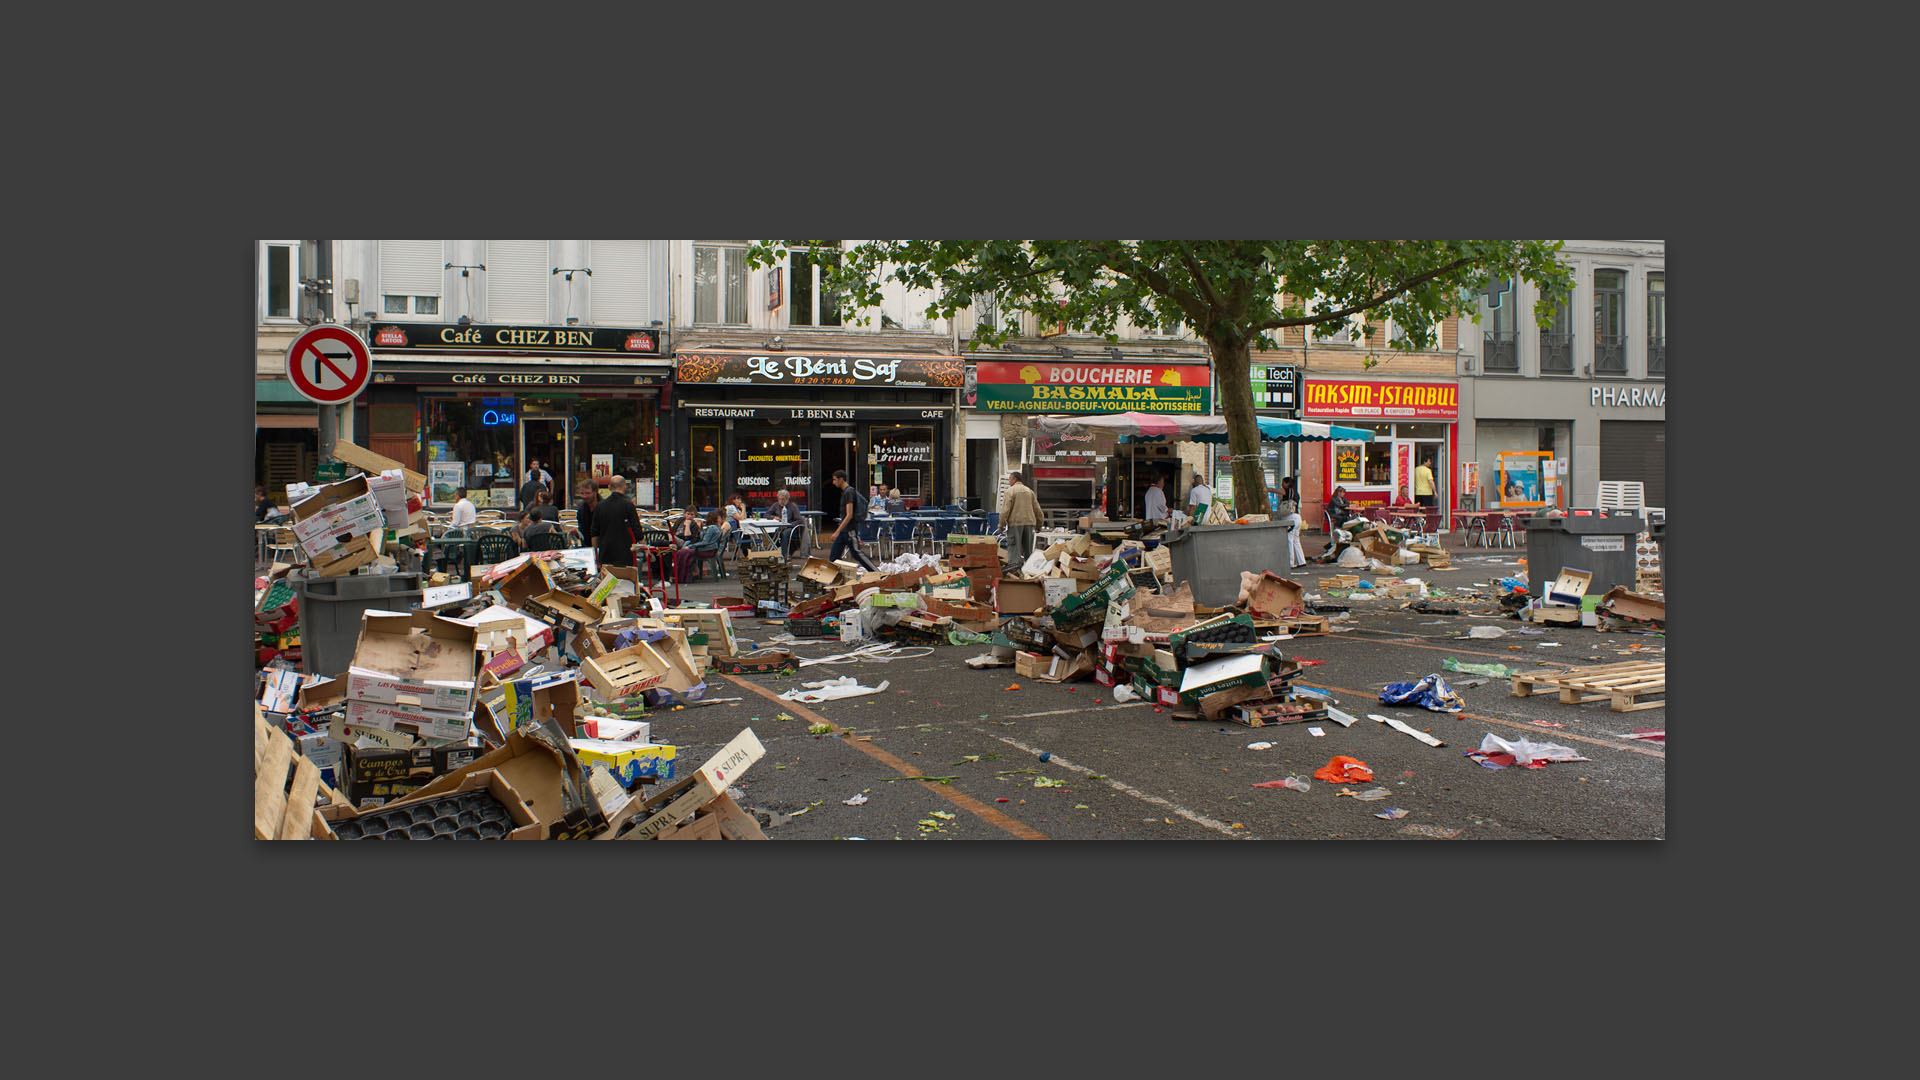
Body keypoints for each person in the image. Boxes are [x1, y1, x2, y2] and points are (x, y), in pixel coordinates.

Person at [827, 469, 878, 572]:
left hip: (848, 530)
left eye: (835, 480)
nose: (833, 482)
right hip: (844, 531)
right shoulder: (846, 492)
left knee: (857, 553)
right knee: (834, 557)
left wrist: (837, 532)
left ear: (841, 479)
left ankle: (877, 572)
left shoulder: (849, 492)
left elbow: (849, 514)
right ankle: (841, 577)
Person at [591, 475, 642, 567]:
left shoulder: (600, 506)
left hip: (605, 551)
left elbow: (594, 533)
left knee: (608, 580)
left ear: (609, 487)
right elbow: (637, 529)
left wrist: (596, 555)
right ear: (624, 486)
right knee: (623, 579)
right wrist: (645, 549)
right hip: (624, 552)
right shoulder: (628, 505)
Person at [999, 470, 1041, 572]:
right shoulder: (1029, 491)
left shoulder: (1010, 491)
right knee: (1028, 551)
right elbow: (1037, 509)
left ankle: (1015, 575)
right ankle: (1030, 573)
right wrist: (1039, 524)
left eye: (1010, 479)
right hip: (1029, 524)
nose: (1009, 481)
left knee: (1014, 550)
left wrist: (1001, 524)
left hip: (1015, 524)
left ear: (1014, 479)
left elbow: (1005, 510)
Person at [1275, 476, 1305, 568]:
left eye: (1283, 483)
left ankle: (1291, 563)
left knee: (1289, 539)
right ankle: (1301, 561)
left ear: (1287, 484)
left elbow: (1277, 491)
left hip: (1290, 518)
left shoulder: (1287, 491)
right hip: (1297, 517)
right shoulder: (1295, 493)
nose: (1281, 484)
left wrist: (1267, 489)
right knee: (1296, 540)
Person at [690, 510, 728, 579]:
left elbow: (705, 542)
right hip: (713, 549)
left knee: (688, 552)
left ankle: (690, 574)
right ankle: (696, 573)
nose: (720, 519)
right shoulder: (717, 528)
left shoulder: (712, 528)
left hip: (708, 549)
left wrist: (691, 546)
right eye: (719, 518)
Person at [773, 488, 803, 559]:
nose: (781, 501)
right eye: (779, 499)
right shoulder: (776, 505)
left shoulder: (793, 506)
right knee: (772, 532)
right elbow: (766, 514)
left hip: (791, 528)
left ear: (787, 499)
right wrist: (773, 517)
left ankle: (784, 554)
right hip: (779, 526)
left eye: (783, 499)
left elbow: (799, 520)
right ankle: (774, 552)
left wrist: (789, 525)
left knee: (785, 533)